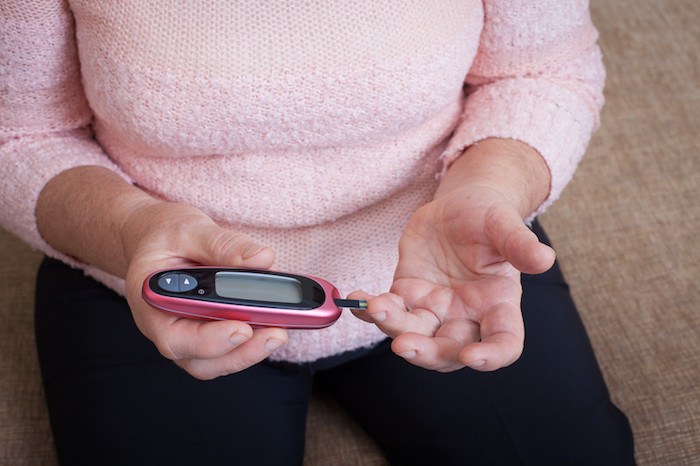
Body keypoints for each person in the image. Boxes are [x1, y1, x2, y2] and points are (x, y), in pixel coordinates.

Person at [1, 1, 635, 464]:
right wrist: (130, 227)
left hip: (449, 266)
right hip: (151, 278)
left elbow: (541, 70)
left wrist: (490, 188)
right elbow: (20, 135)